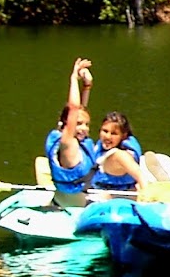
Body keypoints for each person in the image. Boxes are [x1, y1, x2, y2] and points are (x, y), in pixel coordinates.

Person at [45, 58, 96, 195]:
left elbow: (80, 111)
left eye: (87, 124)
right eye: (78, 124)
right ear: (68, 124)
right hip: (73, 197)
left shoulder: (70, 137)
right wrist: (74, 78)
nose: (84, 128)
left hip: (80, 192)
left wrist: (87, 86)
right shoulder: (67, 142)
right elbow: (73, 109)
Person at [91, 111, 146, 191]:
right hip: (102, 184)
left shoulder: (124, 153)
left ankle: (146, 187)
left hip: (122, 182)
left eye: (113, 133)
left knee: (119, 155)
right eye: (105, 131)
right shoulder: (98, 147)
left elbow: (136, 171)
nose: (107, 136)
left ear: (123, 136)